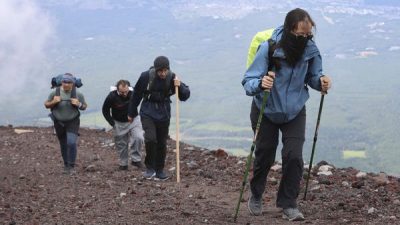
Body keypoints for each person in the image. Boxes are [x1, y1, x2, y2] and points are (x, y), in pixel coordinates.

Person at [242, 8, 332, 221]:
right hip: (266, 108)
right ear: (289, 29)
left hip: (295, 110)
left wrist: (321, 82)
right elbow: (248, 81)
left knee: (294, 156)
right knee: (265, 154)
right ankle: (256, 195)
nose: (304, 38)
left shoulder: (310, 49)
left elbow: (313, 76)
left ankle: (289, 204)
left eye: (308, 34)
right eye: (300, 34)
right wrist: (261, 83)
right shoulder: (269, 48)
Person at [128, 56, 190, 180]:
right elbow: (136, 94)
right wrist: (131, 112)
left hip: (164, 112)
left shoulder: (172, 77)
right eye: (160, 71)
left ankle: (159, 169)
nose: (163, 73)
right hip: (147, 111)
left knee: (162, 142)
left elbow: (184, 96)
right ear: (156, 70)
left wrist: (180, 87)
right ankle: (150, 168)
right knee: (151, 139)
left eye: (165, 70)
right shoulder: (146, 76)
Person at [44, 73, 87, 174]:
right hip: (58, 122)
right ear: (61, 82)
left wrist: (79, 104)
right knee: (63, 144)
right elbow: (46, 104)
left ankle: (71, 165)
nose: (66, 84)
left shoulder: (78, 94)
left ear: (73, 83)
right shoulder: (55, 93)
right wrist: (54, 102)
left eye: (69, 82)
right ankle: (66, 165)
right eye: (64, 82)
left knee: (71, 142)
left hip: (73, 121)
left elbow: (84, 106)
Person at [102, 79, 144, 170]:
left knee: (139, 137)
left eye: (126, 92)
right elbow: (105, 110)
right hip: (119, 122)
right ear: (117, 90)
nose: (125, 94)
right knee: (121, 144)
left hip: (134, 120)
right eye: (122, 92)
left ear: (128, 88)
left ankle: (136, 160)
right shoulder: (111, 97)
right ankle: (123, 163)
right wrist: (112, 123)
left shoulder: (134, 92)